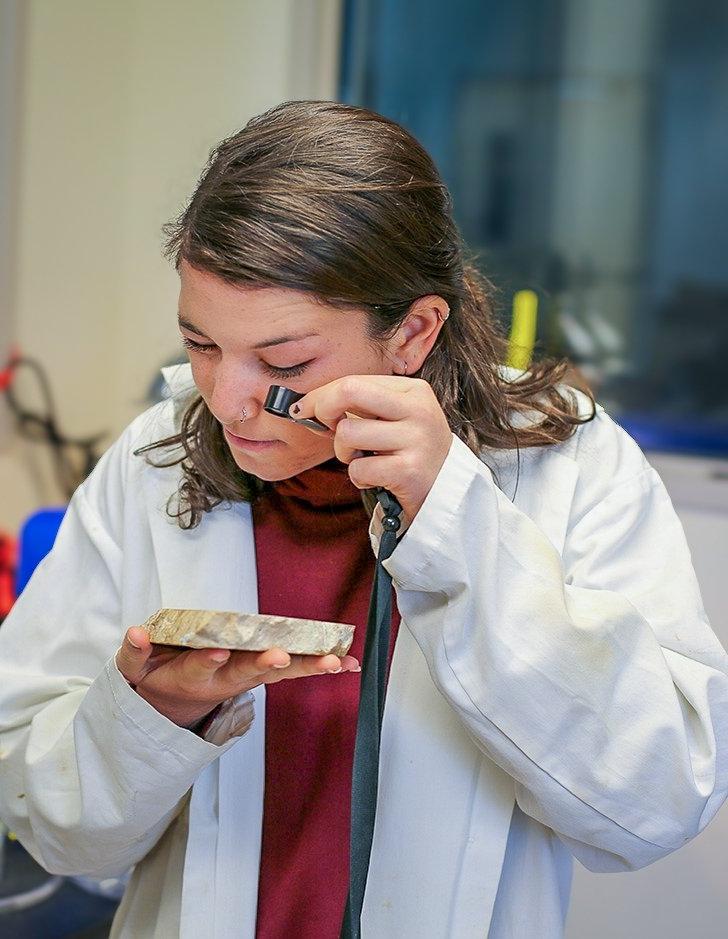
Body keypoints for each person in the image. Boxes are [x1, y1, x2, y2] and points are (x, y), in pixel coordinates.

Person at [1, 100, 727, 939]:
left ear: (414, 331)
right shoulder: (153, 459)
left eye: (284, 362)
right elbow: (52, 830)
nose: (229, 400)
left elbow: (659, 798)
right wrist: (150, 716)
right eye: (199, 343)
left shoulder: (564, 465)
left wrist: (455, 525)